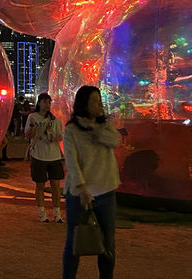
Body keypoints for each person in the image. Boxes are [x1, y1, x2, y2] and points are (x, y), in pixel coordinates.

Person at [62, 85, 120, 279]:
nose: (99, 105)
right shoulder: (72, 130)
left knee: (107, 245)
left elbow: (115, 140)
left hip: (106, 190)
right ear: (84, 104)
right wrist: (82, 189)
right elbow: (72, 160)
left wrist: (95, 129)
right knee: (74, 242)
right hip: (80, 193)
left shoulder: (105, 125)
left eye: (99, 100)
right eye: (94, 101)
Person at [25, 92, 64, 223]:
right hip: (39, 155)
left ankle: (57, 213)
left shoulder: (55, 120)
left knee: (56, 185)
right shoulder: (32, 117)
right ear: (39, 103)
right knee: (40, 185)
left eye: (49, 102)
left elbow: (60, 136)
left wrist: (51, 134)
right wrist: (33, 127)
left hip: (54, 156)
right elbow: (28, 135)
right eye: (44, 102)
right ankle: (42, 213)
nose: (47, 105)